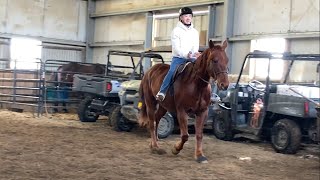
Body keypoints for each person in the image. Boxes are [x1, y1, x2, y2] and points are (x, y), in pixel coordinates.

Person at [156, 7, 201, 101]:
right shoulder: (176, 31)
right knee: (172, 72)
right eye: (185, 16)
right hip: (179, 58)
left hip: (192, 57)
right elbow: (177, 48)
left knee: (205, 69)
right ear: (181, 18)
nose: (188, 18)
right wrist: (186, 55)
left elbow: (195, 46)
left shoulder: (195, 32)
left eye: (189, 16)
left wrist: (195, 53)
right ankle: (162, 92)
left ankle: (209, 93)